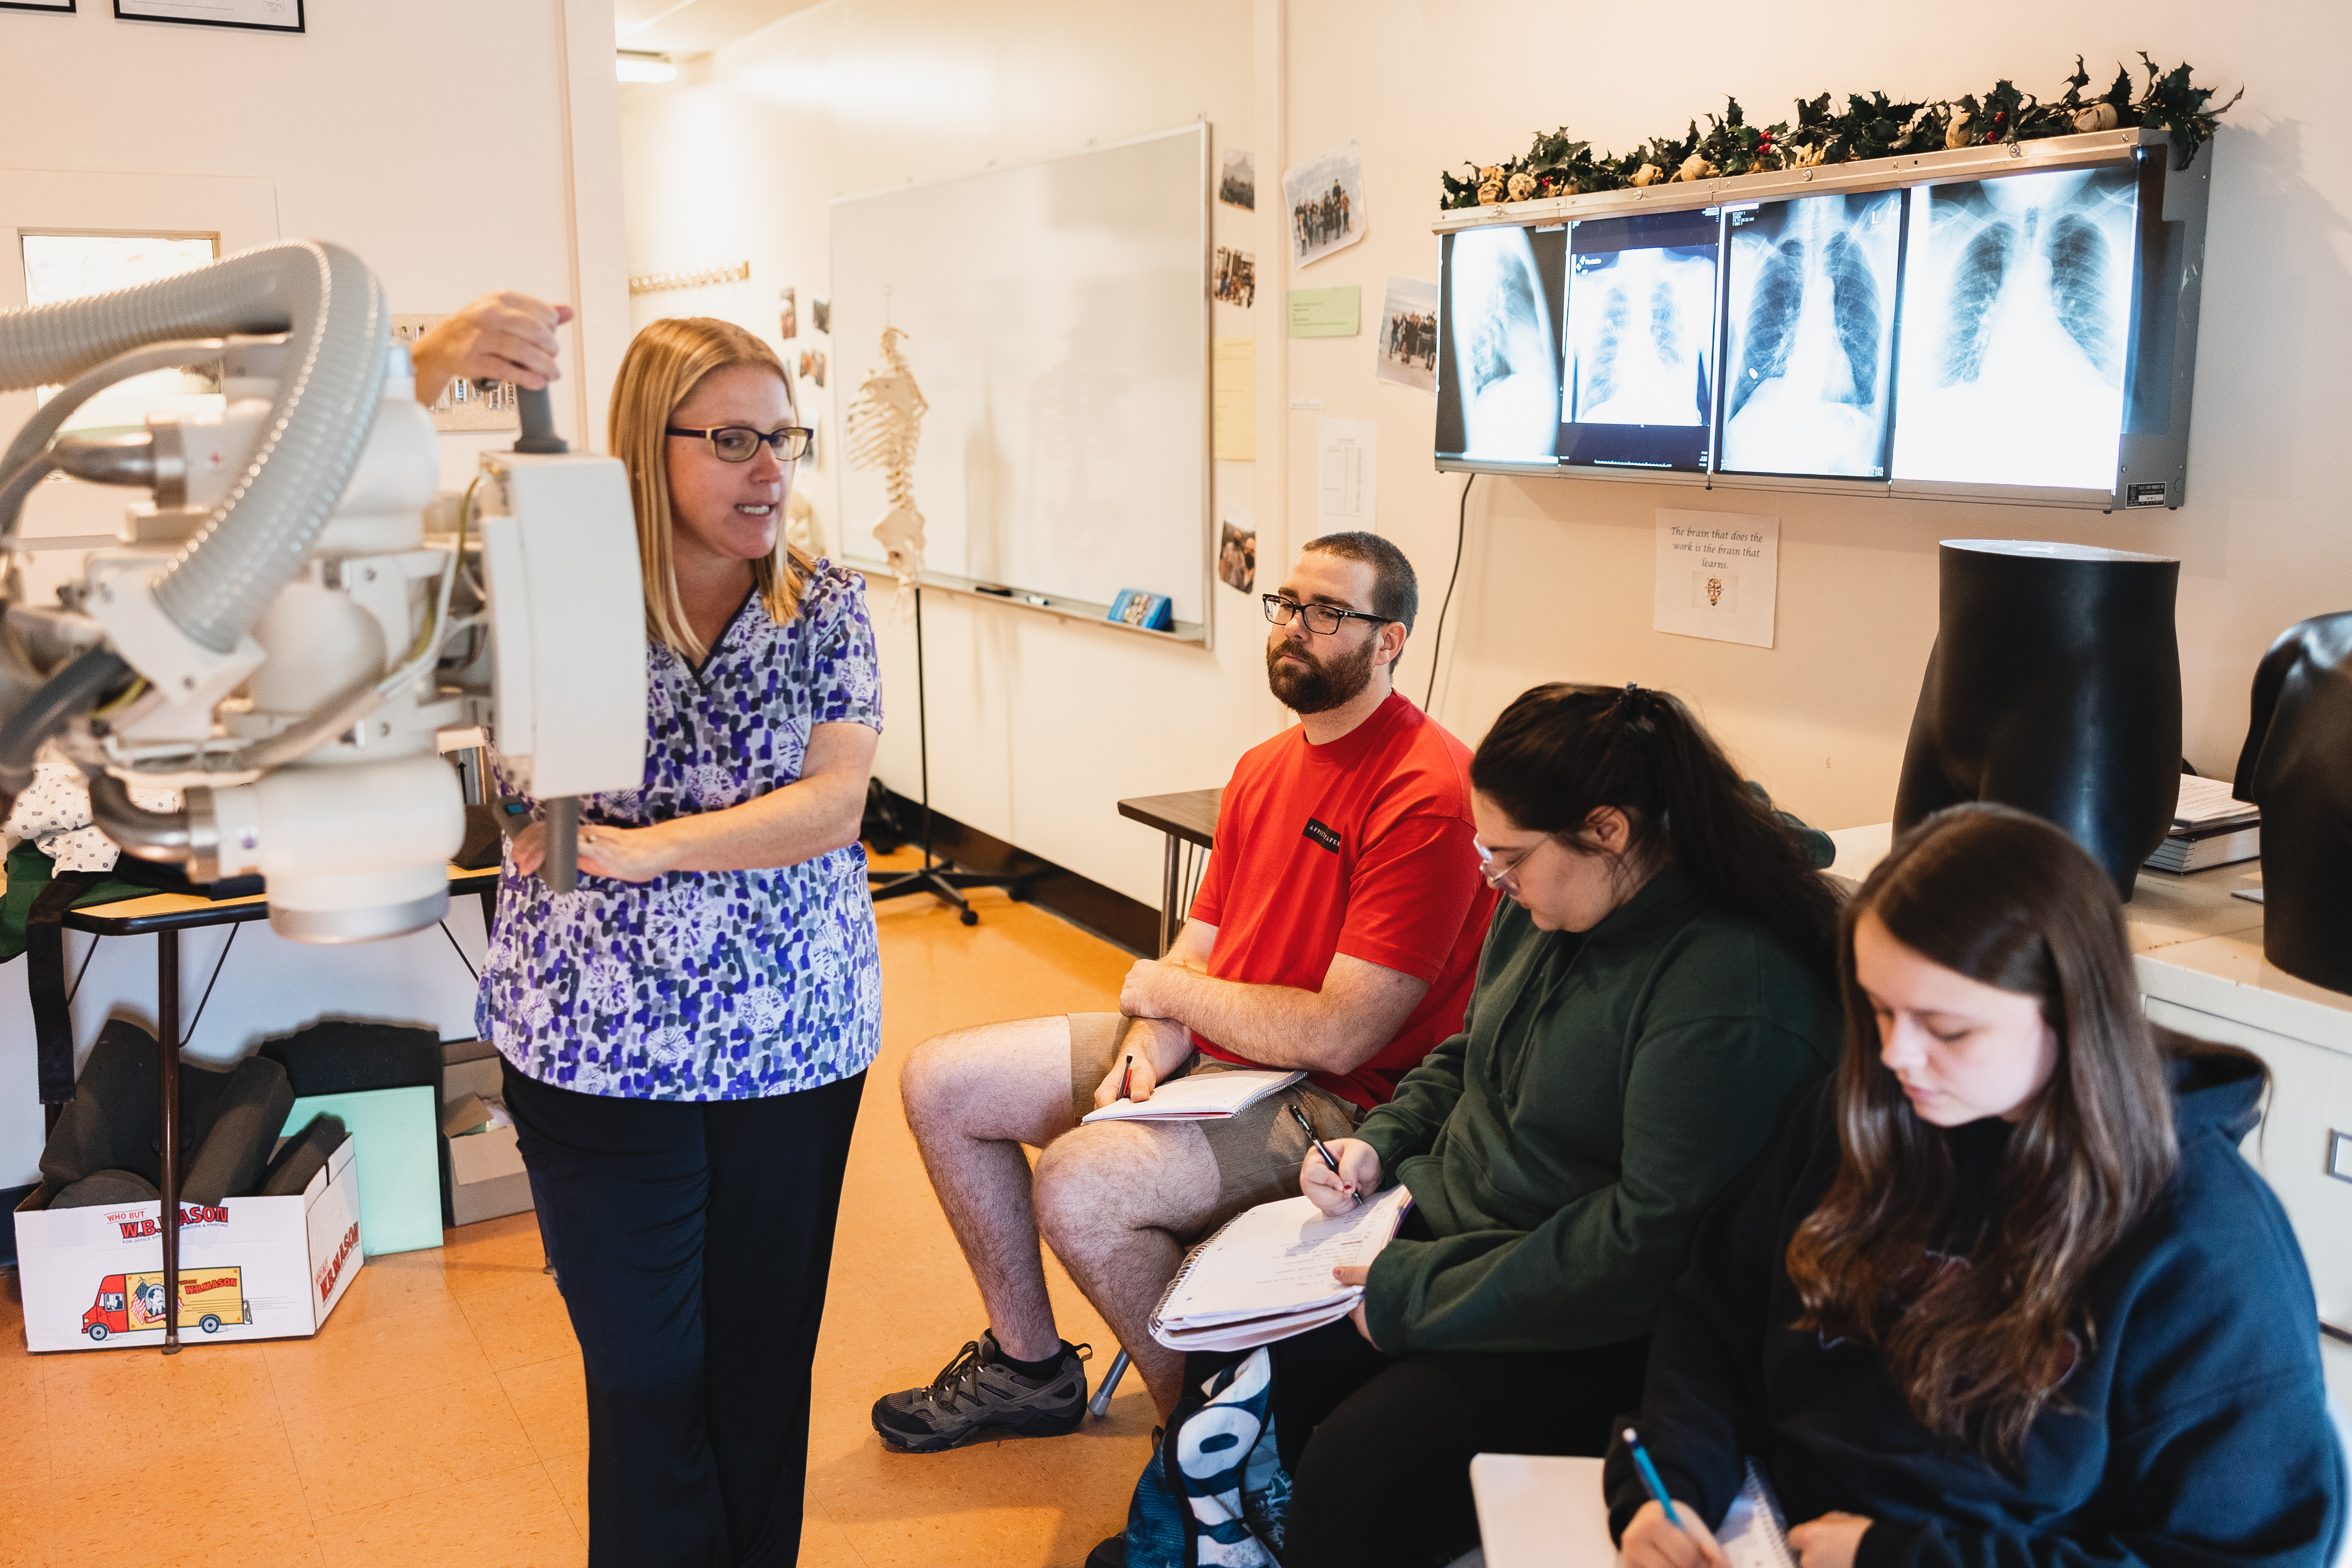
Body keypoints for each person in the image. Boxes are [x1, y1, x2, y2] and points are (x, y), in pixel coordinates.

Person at [1191, 681, 1845, 1568]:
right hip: (1455, 1234)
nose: (1492, 878)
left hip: (1592, 1313)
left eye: (1508, 857)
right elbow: (1471, 1051)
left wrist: (1418, 1292)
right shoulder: (1556, 900)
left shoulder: (1730, 991)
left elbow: (1648, 1244)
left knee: (1357, 1463)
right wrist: (1379, 1143)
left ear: (1608, 829)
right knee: (1231, 1364)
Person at [873, 533, 1496, 1447]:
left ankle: (1211, 1454)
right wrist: (1145, 1042)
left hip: (1344, 1103)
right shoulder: (1261, 768)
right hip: (1223, 1062)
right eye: (1286, 604)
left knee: (1083, 1190)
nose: (1294, 628)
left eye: (1329, 613)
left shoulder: (1427, 788)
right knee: (941, 1080)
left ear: (1390, 640)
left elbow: (1342, 1036)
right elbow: (1193, 954)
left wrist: (1168, 995)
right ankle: (1028, 1365)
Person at [1610, 804, 2348, 1568]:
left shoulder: (2204, 1236)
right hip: (1765, 1534)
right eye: (1877, 1010)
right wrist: (1669, 1487)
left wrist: (1903, 1559)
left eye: (1947, 1029)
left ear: (2068, 1010)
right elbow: (1713, 1324)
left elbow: (2258, 1555)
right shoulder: (1856, 1113)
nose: (1897, 1055)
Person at [477, 316, 882, 1568]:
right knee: (647, 1370)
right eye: (734, 441)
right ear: (645, 451)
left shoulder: (826, 605)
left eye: (784, 439)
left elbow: (836, 802)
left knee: (761, 1367)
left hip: (791, 1039)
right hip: (599, 1042)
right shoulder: (558, 598)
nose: (771, 470)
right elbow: (513, 802)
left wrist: (655, 846)